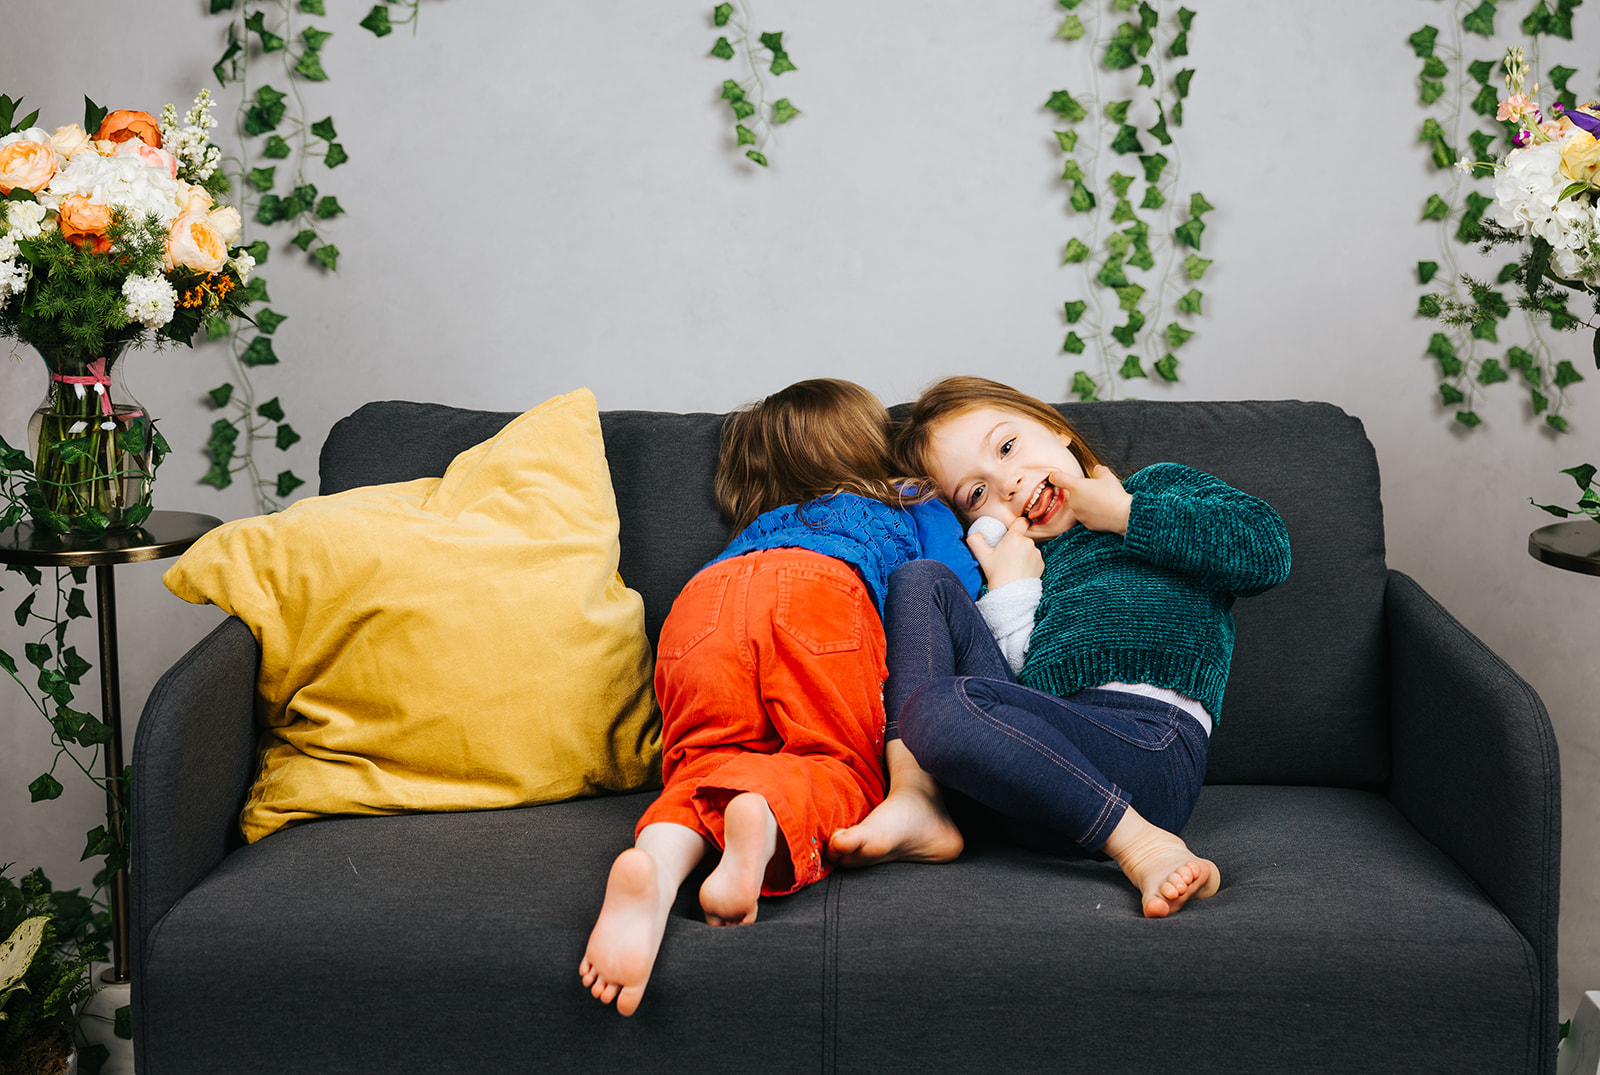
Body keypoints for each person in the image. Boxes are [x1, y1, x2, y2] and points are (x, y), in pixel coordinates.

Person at [580, 378, 982, 1016]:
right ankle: (762, 816)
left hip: (704, 602)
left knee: (700, 764)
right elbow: (956, 589)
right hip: (821, 594)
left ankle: (653, 873)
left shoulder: (760, 523)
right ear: (875, 442)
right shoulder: (910, 499)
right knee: (841, 764)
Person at [829, 376, 1291, 918]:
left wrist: (1124, 514)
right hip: (1039, 787)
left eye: (1007, 447)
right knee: (920, 580)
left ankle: (1140, 842)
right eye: (976, 493)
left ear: (1053, 426)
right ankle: (916, 799)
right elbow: (1025, 702)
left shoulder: (1159, 489)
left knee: (940, 708)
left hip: (1148, 753)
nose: (1008, 484)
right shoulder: (1018, 567)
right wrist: (1011, 591)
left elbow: (1266, 552)